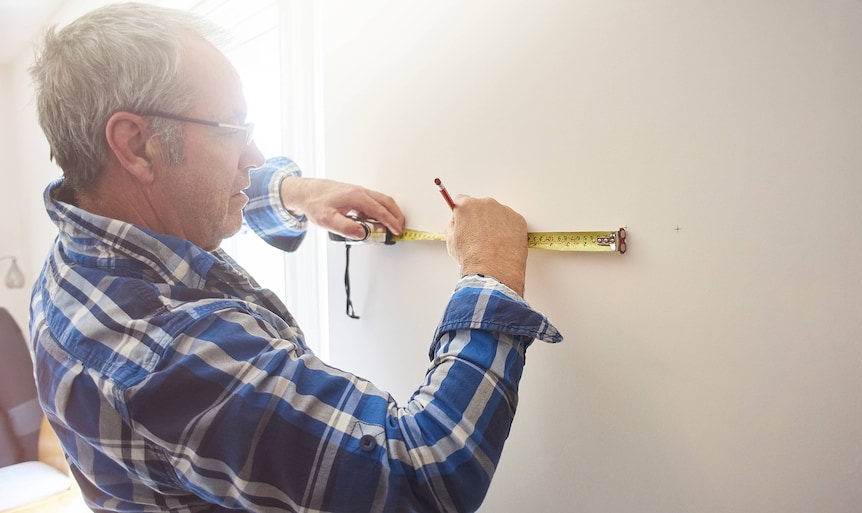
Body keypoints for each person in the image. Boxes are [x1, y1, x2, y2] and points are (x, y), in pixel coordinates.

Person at [27, 3, 561, 512]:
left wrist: (291, 192)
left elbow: (180, 196)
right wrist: (490, 271)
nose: (253, 157)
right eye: (231, 130)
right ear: (136, 145)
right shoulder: (159, 353)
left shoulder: (80, 253)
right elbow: (421, 475)